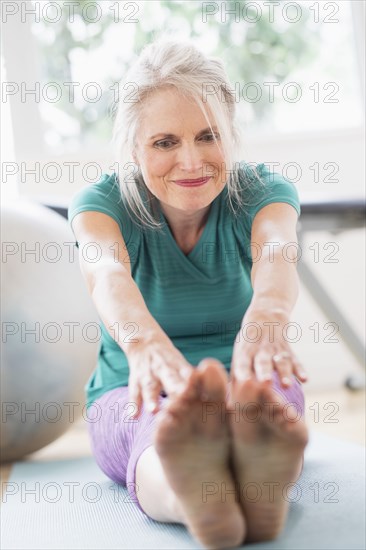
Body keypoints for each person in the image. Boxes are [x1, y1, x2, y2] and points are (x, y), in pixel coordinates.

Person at [68, 37, 309, 550]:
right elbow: (105, 270)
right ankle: (196, 497)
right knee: (155, 430)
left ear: (230, 133)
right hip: (135, 393)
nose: (192, 160)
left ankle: (253, 484)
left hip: (243, 380)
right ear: (133, 147)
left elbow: (276, 248)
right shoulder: (101, 203)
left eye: (208, 135)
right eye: (164, 143)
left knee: (267, 404)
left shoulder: (260, 191)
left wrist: (267, 314)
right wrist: (142, 344)